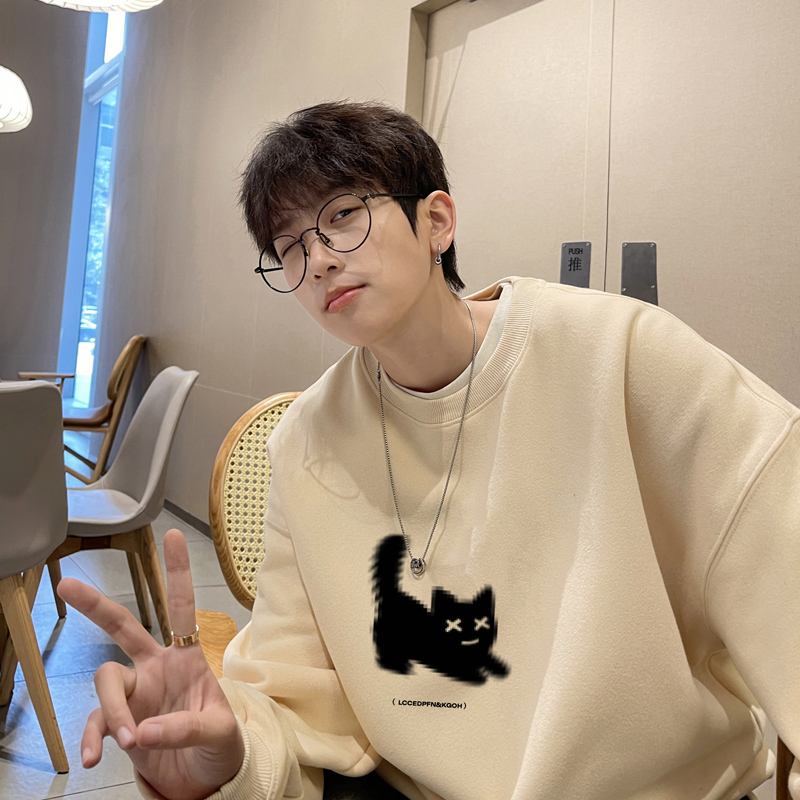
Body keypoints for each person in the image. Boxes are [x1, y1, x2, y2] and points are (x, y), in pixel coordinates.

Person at [58, 100, 800, 800]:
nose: (318, 261)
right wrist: (227, 758)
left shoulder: (624, 357)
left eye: (342, 216)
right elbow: (292, 694)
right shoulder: (307, 437)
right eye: (288, 247)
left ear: (436, 221)